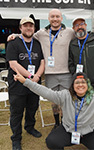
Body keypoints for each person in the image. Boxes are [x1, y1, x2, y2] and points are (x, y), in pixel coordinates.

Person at [7, 9, 75, 129]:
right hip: (50, 74)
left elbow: (81, 39)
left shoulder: (70, 32)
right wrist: (15, 35)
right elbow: (27, 35)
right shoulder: (41, 33)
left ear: (61, 18)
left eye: (57, 16)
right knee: (54, 101)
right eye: (52, 16)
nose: (55, 19)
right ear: (48, 19)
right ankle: (56, 123)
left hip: (66, 73)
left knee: (66, 100)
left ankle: (65, 123)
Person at [6, 17, 45, 150]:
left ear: (34, 28)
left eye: (31, 26)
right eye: (25, 25)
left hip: (34, 84)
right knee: (16, 112)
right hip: (17, 85)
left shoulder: (38, 43)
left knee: (32, 108)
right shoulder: (13, 42)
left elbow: (42, 62)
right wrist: (30, 76)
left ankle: (30, 127)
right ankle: (16, 138)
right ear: (20, 28)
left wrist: (37, 76)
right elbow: (13, 63)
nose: (28, 28)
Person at [68, 17, 94, 128]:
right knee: (82, 107)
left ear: (86, 26)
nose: (79, 27)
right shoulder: (73, 44)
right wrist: (75, 75)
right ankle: (84, 129)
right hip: (80, 84)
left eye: (82, 24)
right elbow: (70, 62)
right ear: (73, 29)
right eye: (76, 25)